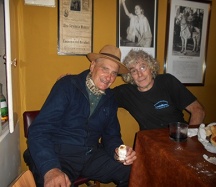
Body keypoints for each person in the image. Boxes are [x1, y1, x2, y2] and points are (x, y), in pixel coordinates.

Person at [23, 45, 137, 187]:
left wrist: (118, 152)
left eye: (114, 73)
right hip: (60, 154)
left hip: (90, 155)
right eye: (105, 69)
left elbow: (111, 136)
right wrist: (50, 168)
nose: (109, 77)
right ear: (93, 65)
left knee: (136, 173)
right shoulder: (67, 86)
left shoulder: (110, 99)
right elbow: (39, 131)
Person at [113, 49, 205, 130]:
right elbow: (103, 95)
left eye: (143, 67)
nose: (139, 74)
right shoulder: (126, 93)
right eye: (134, 71)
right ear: (130, 76)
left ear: (151, 68)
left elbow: (198, 110)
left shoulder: (168, 81)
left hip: (177, 136)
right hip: (151, 143)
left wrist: (188, 138)